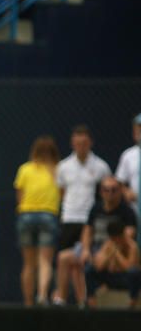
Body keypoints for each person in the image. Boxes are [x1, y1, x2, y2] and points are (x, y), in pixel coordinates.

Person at [54, 177, 136, 307]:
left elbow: (128, 235)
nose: (110, 194)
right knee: (64, 257)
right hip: (93, 246)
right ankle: (61, 300)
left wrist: (107, 249)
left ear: (120, 191)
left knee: (94, 263)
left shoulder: (127, 211)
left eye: (114, 190)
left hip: (112, 247)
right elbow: (87, 231)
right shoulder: (96, 208)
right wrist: (85, 249)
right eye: (106, 190)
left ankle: (87, 301)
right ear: (101, 192)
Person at [13, 136, 60, 306]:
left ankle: (28, 301)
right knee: (45, 260)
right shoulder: (57, 170)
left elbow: (20, 195)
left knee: (28, 264)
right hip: (48, 214)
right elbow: (62, 194)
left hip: (26, 214)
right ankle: (42, 294)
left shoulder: (25, 169)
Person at [55, 125, 110, 252]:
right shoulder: (63, 166)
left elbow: (106, 192)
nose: (81, 146)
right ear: (72, 144)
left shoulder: (101, 166)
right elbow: (61, 192)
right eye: (77, 143)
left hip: (89, 220)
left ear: (90, 143)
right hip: (69, 218)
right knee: (65, 257)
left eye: (84, 143)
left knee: (86, 256)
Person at [114, 113, 141, 204]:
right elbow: (119, 182)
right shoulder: (128, 155)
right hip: (134, 209)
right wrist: (126, 192)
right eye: (138, 129)